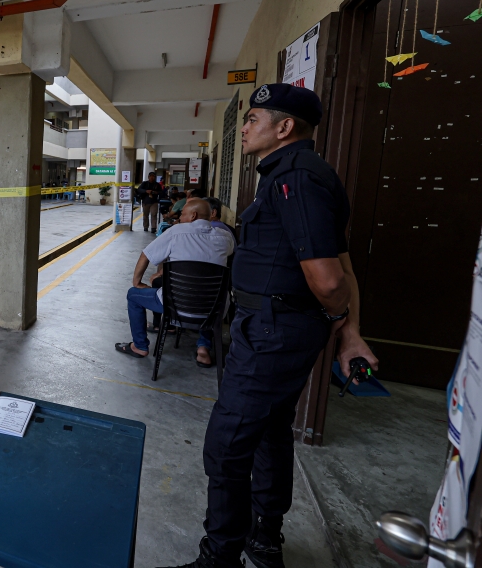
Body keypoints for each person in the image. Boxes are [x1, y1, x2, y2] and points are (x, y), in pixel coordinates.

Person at [162, 85, 379, 568]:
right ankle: (265, 541)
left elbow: (328, 279)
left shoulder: (295, 178)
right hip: (277, 326)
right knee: (272, 431)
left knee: (227, 444)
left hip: (274, 331)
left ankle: (219, 556)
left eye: (253, 118)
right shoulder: (295, 174)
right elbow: (343, 263)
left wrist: (343, 323)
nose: (243, 127)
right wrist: (349, 330)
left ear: (284, 128)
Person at [117, 199, 234, 367]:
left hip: (175, 308)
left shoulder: (175, 232)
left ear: (193, 216)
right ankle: (203, 349)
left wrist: (137, 282)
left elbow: (146, 255)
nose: (179, 218)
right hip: (214, 311)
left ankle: (140, 346)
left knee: (133, 295)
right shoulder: (225, 236)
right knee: (207, 293)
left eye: (182, 214)